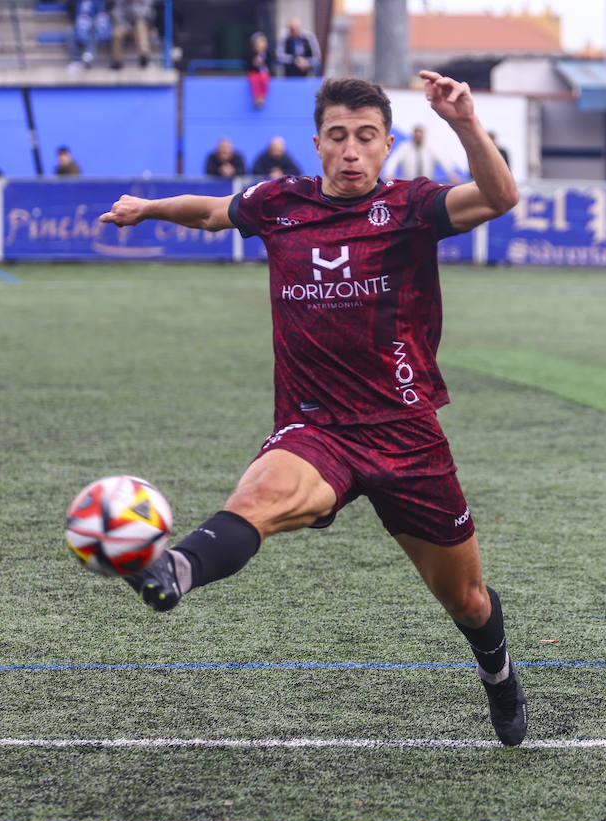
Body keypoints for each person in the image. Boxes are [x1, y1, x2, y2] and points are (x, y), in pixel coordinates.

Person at [97, 73, 527, 746]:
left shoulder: (413, 207)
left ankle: (498, 676)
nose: (351, 151)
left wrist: (465, 122)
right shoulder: (279, 203)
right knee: (259, 496)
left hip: (406, 434)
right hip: (316, 426)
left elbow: (500, 197)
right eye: (337, 137)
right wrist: (146, 208)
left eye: (365, 138)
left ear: (386, 145)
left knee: (467, 601)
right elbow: (212, 212)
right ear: (317, 144)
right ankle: (174, 570)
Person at [389, 124, 458, 183]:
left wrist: (451, 174)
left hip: (428, 185)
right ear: (413, 134)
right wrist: (389, 173)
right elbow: (393, 160)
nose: (418, 135)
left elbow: (443, 161)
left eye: (420, 132)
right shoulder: (404, 148)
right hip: (408, 185)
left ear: (424, 134)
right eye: (416, 132)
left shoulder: (431, 148)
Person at [64, 0, 110, 71]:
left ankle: (88, 56)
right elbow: (72, 10)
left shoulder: (97, 2)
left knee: (93, 31)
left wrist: (94, 21)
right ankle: (76, 60)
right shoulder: (77, 2)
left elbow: (101, 14)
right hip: (79, 23)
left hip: (93, 25)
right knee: (70, 32)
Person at [110, 0, 154, 69]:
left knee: (140, 26)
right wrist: (128, 28)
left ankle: (144, 55)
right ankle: (117, 60)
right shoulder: (121, 2)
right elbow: (116, 14)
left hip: (142, 26)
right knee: (117, 32)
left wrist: (134, 5)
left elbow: (146, 15)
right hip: (125, 25)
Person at [247, 31, 271, 108]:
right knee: (254, 79)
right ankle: (257, 96)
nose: (262, 45)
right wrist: (254, 63)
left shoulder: (267, 54)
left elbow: (270, 62)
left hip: (264, 73)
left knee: (264, 78)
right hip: (255, 73)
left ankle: (262, 96)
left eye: (263, 42)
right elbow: (248, 63)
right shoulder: (251, 54)